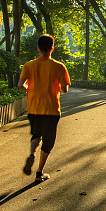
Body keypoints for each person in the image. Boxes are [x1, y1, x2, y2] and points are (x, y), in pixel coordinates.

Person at [18, 34, 70, 182]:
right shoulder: (59, 67)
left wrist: (29, 89)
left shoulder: (29, 65)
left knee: (36, 135)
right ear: (52, 48)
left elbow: (20, 85)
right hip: (51, 109)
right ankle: (39, 172)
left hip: (34, 108)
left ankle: (32, 154)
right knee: (48, 142)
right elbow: (64, 90)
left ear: (38, 48)